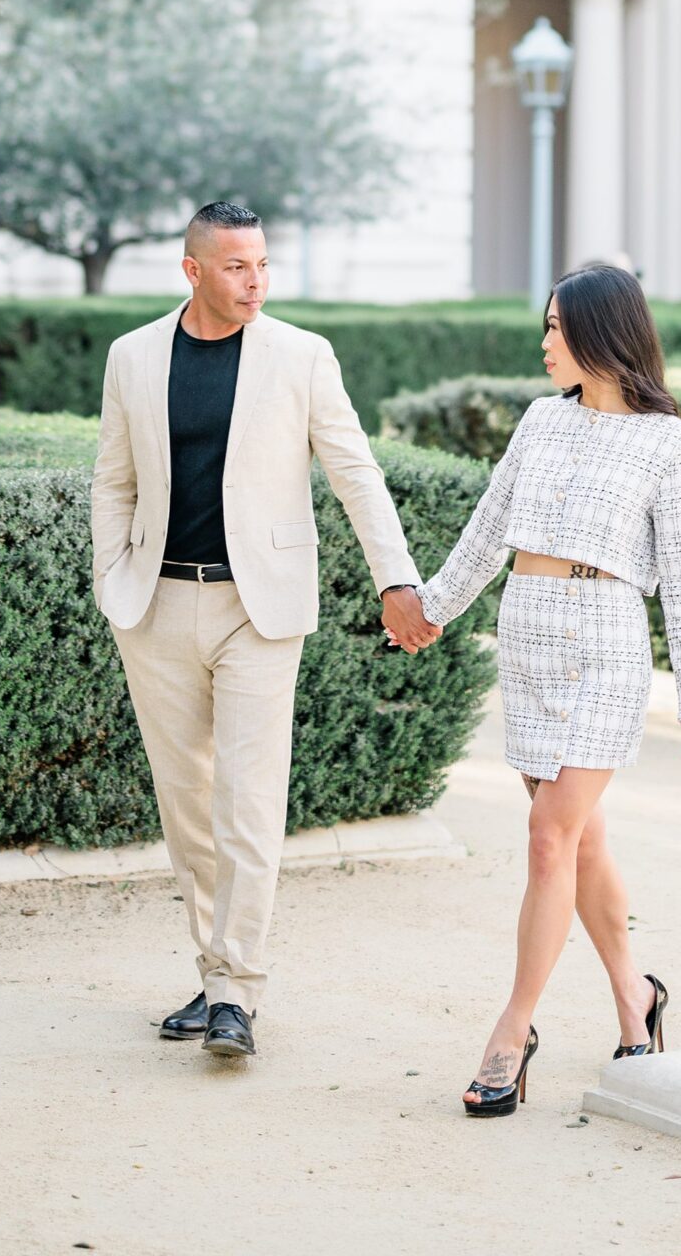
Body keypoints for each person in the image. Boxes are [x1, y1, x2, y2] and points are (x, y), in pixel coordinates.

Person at [90, 199, 438, 1062]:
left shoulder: (301, 356)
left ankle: (236, 990)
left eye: (263, 265)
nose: (256, 280)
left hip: (260, 608)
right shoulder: (133, 356)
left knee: (247, 800)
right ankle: (215, 975)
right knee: (186, 808)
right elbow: (113, 481)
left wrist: (395, 578)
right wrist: (111, 577)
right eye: (237, 266)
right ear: (194, 270)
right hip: (158, 605)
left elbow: (355, 472)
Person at [411, 263, 681, 1117]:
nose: (544, 344)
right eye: (543, 328)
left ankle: (512, 1034)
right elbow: (487, 527)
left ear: (599, 333)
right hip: (530, 636)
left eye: (555, 328)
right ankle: (636, 997)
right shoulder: (540, 423)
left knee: (548, 837)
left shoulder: (668, 445)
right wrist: (431, 609)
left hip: (610, 643)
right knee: (579, 844)